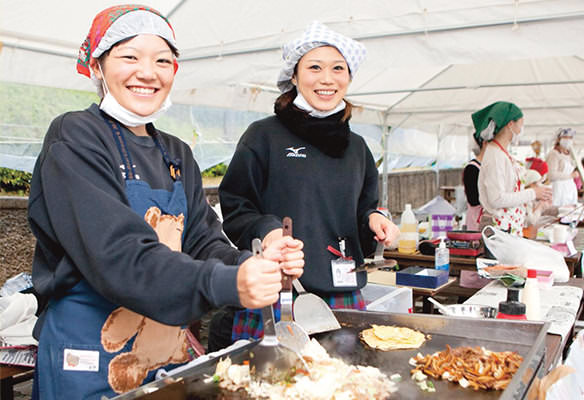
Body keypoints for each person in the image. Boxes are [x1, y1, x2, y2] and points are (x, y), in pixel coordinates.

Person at [27, 6, 304, 399]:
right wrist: (227, 282)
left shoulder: (175, 153)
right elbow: (118, 255)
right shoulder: (75, 137)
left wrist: (255, 266)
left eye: (162, 60)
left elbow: (203, 243)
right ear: (96, 67)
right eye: (129, 57)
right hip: (86, 356)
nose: (148, 72)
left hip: (164, 352)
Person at [218, 21, 399, 342]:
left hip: (343, 291)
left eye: (338, 69)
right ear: (294, 75)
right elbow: (235, 206)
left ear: (349, 77)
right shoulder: (264, 136)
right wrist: (267, 231)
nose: (327, 79)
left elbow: (363, 209)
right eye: (314, 67)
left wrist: (374, 220)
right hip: (276, 291)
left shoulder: (357, 147)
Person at [473, 101, 552, 236]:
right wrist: (533, 193)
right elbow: (496, 199)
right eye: (521, 124)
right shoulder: (495, 156)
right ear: (510, 124)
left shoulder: (502, 153)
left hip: (509, 228)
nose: (521, 130)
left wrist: (537, 197)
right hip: (498, 230)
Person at [546, 128, 579, 206]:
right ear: (559, 139)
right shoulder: (554, 154)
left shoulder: (570, 154)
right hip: (558, 188)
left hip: (569, 187)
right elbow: (551, 174)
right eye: (565, 137)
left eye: (570, 138)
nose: (568, 140)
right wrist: (570, 175)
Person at [463, 137, 487, 231]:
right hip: (476, 220)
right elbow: (473, 199)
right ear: (484, 144)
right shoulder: (472, 169)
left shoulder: (485, 166)